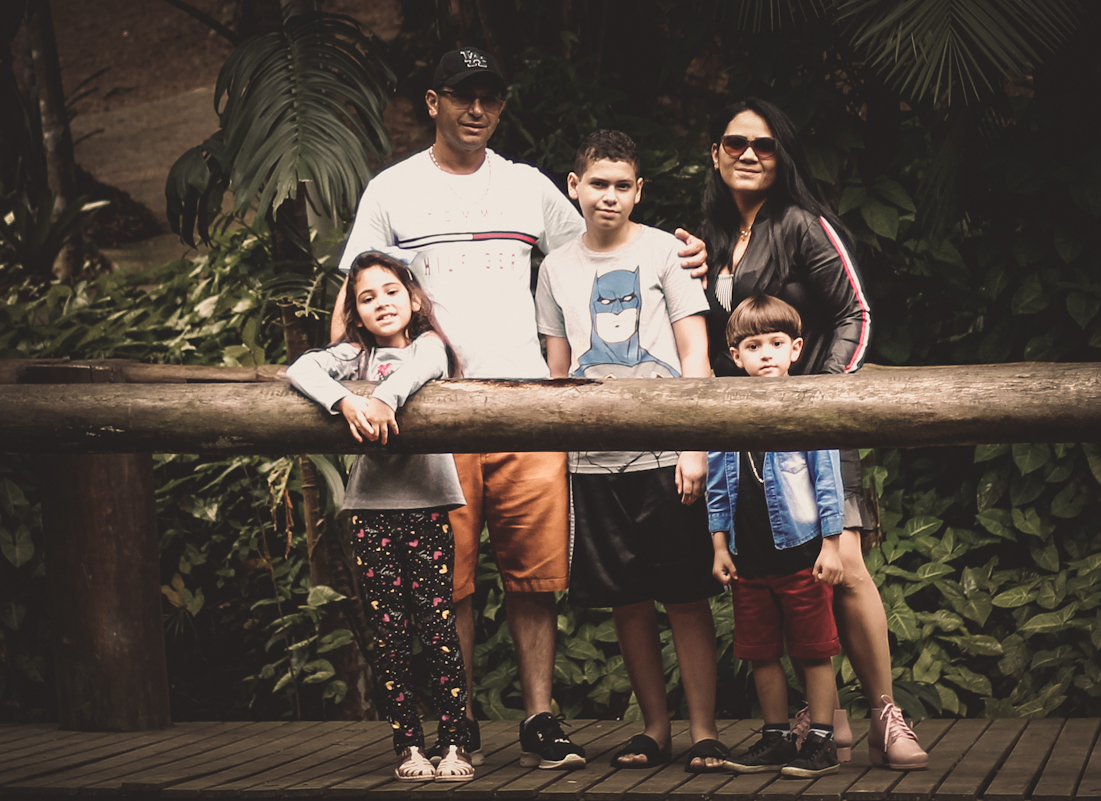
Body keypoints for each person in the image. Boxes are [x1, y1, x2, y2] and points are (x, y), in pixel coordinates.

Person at [331, 47, 707, 770]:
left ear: (501, 106)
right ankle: (459, 722)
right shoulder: (391, 190)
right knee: (451, 582)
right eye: (462, 95)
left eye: (490, 97)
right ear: (433, 102)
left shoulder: (528, 186)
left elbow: (601, 249)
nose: (477, 109)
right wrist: (355, 385)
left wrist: (682, 253)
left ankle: (539, 717)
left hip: (529, 403)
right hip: (433, 411)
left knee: (535, 577)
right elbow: (355, 296)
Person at [700, 97, 928, 771]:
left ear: (783, 156)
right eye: (735, 142)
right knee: (783, 571)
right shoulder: (712, 237)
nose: (749, 153)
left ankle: (885, 712)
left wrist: (817, 399)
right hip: (748, 435)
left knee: (845, 565)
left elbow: (855, 312)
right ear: (715, 153)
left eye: (764, 144)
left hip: (817, 423)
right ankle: (829, 723)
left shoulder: (801, 223)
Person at [535, 130, 728, 774]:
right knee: (628, 598)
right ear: (575, 186)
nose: (609, 196)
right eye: (598, 184)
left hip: (668, 458)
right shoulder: (555, 268)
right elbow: (558, 370)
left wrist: (693, 446)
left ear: (639, 190)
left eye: (622, 185)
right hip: (592, 463)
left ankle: (704, 732)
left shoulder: (665, 252)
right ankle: (655, 729)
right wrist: (562, 460)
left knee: (685, 594)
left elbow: (695, 353)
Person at [287, 251, 473, 784]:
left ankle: (455, 743)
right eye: (367, 298)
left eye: (391, 292)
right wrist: (345, 402)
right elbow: (300, 369)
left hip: (427, 506)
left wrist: (385, 400)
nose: (382, 303)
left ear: (412, 298)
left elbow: (422, 368)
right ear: (356, 312)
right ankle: (408, 745)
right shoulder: (355, 357)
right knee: (389, 633)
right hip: (371, 511)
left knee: (437, 627)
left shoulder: (428, 345)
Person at [708, 294, 844, 779]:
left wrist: (832, 544)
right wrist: (719, 546)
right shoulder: (726, 415)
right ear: (735, 356)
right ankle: (776, 737)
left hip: (801, 556)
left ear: (796, 349)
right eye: (753, 346)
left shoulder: (809, 410)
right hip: (748, 561)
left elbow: (827, 481)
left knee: (813, 650)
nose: (765, 353)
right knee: (759, 653)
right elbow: (717, 486)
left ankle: (823, 740)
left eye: (776, 343)